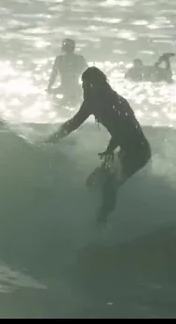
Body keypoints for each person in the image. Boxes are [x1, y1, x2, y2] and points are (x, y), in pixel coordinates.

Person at [45, 66, 151, 227]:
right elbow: (74, 123)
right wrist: (52, 139)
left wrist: (110, 149)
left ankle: (103, 224)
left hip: (139, 150)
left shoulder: (117, 102)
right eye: (85, 84)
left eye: (90, 84)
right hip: (125, 150)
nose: (86, 88)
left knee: (109, 185)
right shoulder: (91, 103)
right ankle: (100, 217)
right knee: (92, 182)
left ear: (101, 84)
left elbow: (125, 128)